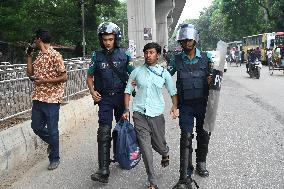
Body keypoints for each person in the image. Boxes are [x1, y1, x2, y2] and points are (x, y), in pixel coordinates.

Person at [122, 42, 178, 189]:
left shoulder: (163, 73)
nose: (148, 55)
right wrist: (126, 109)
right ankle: (152, 181)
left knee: (159, 144)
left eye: (151, 52)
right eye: (146, 52)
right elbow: (128, 91)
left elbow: (173, 92)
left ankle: (165, 152)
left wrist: (174, 106)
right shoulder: (136, 72)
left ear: (158, 55)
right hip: (139, 114)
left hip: (157, 114)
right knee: (146, 148)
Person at [87, 22, 134, 183]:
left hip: (121, 97)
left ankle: (125, 156)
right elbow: (89, 76)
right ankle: (103, 169)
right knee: (104, 131)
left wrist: (134, 88)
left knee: (123, 129)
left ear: (116, 39)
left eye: (110, 39)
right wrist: (93, 92)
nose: (107, 42)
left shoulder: (125, 54)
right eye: (105, 39)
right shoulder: (96, 56)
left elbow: (133, 75)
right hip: (105, 98)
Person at [167, 24, 213, 189]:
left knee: (203, 135)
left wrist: (211, 80)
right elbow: (165, 75)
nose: (186, 42)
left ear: (195, 40)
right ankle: (185, 173)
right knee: (186, 136)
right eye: (184, 40)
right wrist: (145, 77)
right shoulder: (176, 59)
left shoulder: (207, 58)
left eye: (189, 39)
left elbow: (215, 81)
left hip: (203, 104)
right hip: (185, 105)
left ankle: (201, 162)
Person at [26, 29, 67, 170]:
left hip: (52, 99)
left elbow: (64, 77)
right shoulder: (38, 56)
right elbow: (30, 73)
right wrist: (29, 56)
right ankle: (52, 141)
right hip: (38, 97)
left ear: (38, 40)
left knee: (52, 129)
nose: (34, 43)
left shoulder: (55, 55)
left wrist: (44, 81)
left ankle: (54, 158)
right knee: (36, 126)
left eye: (34, 41)